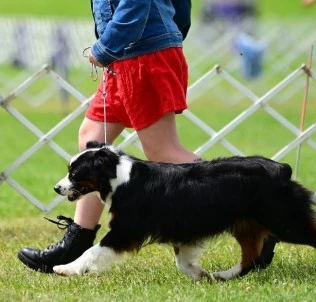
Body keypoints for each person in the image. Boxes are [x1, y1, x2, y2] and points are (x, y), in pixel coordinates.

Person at [17, 0, 278, 275]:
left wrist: (110, 47)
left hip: (142, 54)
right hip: (130, 53)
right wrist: (165, 36)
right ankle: (78, 241)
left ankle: (256, 209)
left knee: (164, 153)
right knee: (91, 137)